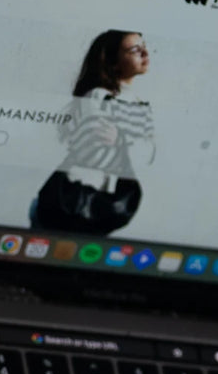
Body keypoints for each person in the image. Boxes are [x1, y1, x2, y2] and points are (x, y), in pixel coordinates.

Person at [32, 30, 154, 235]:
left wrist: (121, 142)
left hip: (102, 201)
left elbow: (148, 154)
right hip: (77, 196)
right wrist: (128, 146)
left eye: (144, 46)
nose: (145, 53)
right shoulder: (98, 97)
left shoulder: (140, 104)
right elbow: (95, 151)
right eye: (135, 50)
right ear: (113, 61)